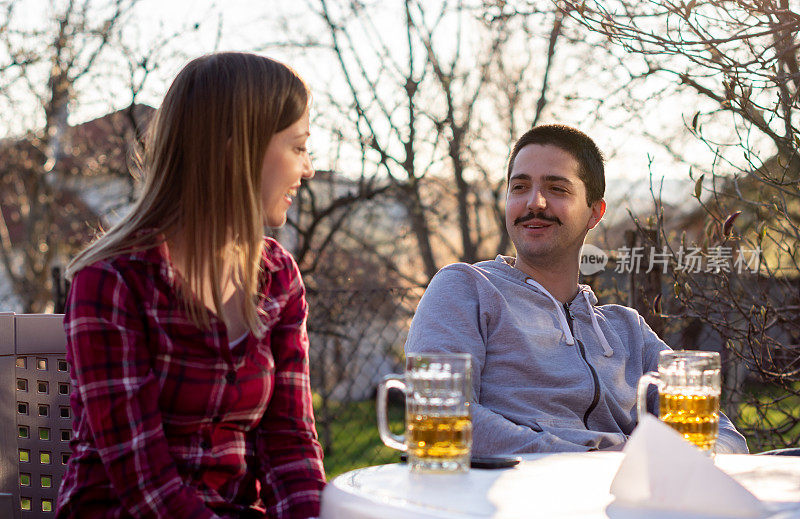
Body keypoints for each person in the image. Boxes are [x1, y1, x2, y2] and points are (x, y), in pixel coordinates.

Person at [56, 52, 325, 518]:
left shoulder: (278, 277)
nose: (308, 169)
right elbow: (147, 488)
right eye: (298, 147)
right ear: (236, 148)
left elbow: (290, 444)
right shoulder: (112, 282)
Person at [405, 124, 748, 455]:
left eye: (557, 189)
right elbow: (442, 417)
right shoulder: (466, 289)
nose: (534, 202)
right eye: (519, 187)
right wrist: (591, 458)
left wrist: (671, 459)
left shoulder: (627, 332)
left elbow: (724, 439)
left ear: (594, 213)